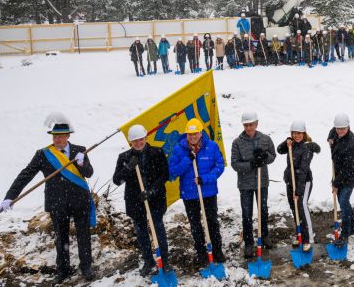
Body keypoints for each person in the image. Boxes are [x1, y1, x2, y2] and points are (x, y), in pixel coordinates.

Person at [1, 112, 95, 282]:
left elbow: (89, 173)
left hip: (79, 200)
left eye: (61, 136)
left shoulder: (80, 150)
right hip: (57, 203)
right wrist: (10, 196)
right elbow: (26, 175)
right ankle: (63, 270)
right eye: (55, 136)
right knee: (61, 238)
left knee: (83, 236)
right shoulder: (43, 154)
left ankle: (86, 268)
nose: (57, 140)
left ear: (68, 135)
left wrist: (82, 163)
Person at [112, 124, 171, 276]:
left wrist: (151, 191)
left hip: (155, 199)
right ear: (130, 142)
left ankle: (164, 261)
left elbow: (164, 175)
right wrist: (128, 168)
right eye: (134, 141)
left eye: (141, 139)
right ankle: (148, 261)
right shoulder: (124, 157)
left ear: (146, 137)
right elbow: (117, 180)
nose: (138, 143)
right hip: (135, 201)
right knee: (141, 232)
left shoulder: (157, 152)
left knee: (158, 228)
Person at [168, 118, 226, 268]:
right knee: (195, 225)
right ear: (186, 134)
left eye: (195, 133)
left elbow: (219, 167)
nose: (193, 137)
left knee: (212, 221)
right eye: (190, 134)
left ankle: (217, 250)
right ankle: (201, 253)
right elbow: (172, 172)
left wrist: (205, 179)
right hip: (189, 194)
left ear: (201, 133)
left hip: (208, 192)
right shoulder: (179, 149)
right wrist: (187, 160)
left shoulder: (212, 146)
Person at [231, 111, 277, 257]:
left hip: (261, 182)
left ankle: (264, 236)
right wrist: (251, 164)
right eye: (246, 125)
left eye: (251, 125)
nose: (248, 128)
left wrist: (264, 157)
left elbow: (273, 156)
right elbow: (234, 164)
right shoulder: (237, 142)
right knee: (247, 214)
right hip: (245, 184)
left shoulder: (265, 139)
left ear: (256, 124)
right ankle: (249, 243)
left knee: (263, 210)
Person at [277, 121, 321, 252]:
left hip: (304, 182)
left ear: (304, 133)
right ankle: (299, 235)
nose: (297, 136)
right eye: (294, 133)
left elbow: (303, 170)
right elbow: (279, 150)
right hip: (291, 181)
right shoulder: (292, 145)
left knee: (301, 207)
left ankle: (307, 239)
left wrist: (298, 190)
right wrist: (287, 143)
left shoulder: (307, 148)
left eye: (299, 133)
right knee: (294, 208)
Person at [327, 113, 354, 245]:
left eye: (343, 129)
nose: (340, 131)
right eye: (338, 128)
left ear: (348, 127)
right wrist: (330, 138)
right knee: (344, 201)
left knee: (343, 200)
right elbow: (332, 131)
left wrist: (336, 183)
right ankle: (352, 227)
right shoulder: (336, 132)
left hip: (349, 175)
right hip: (338, 172)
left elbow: (347, 170)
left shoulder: (352, 145)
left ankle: (346, 232)